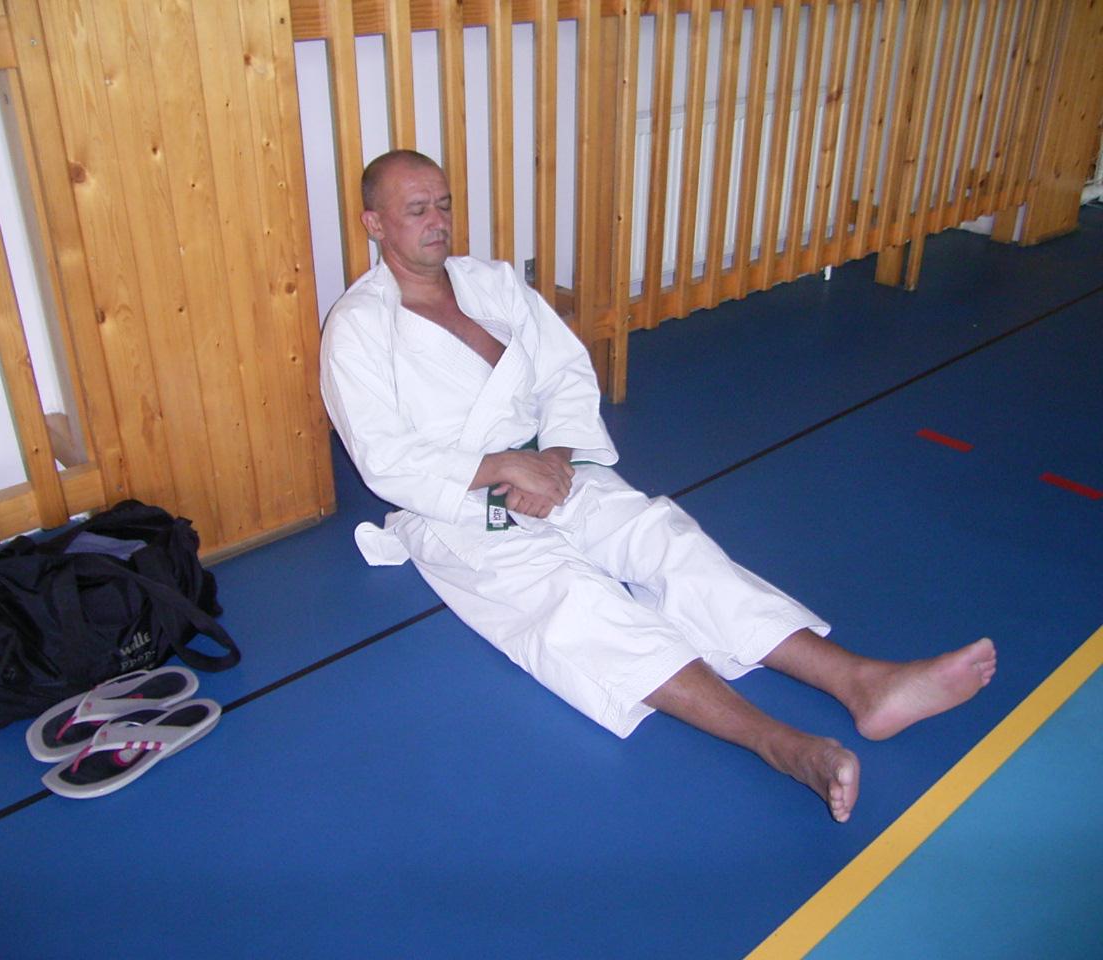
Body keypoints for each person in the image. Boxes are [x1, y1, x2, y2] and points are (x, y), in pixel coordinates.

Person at [319, 149, 996, 822]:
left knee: (664, 539)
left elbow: (565, 372)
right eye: (417, 210)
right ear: (374, 223)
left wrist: (554, 456)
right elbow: (384, 458)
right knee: (578, 602)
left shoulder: (491, 283)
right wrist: (501, 467)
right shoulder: (358, 327)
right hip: (458, 507)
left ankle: (861, 680)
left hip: (552, 467)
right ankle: (782, 745)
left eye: (443, 205)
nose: (437, 221)